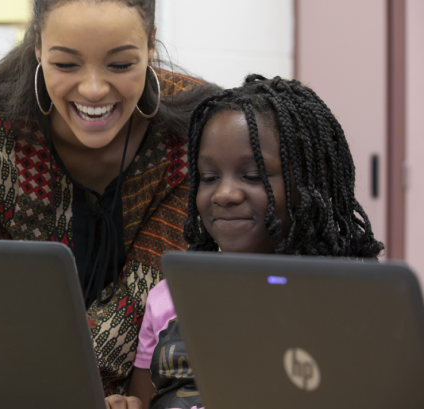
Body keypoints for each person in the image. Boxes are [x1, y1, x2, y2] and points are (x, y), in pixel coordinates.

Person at [0, 0, 221, 402]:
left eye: (119, 65)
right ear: (38, 48)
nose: (93, 89)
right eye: (66, 65)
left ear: (151, 45)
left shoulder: (193, 129)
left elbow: (146, 299)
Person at [120, 75, 384, 409]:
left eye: (253, 176)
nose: (225, 194)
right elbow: (146, 399)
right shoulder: (169, 298)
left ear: (309, 186)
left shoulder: (352, 303)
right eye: (210, 177)